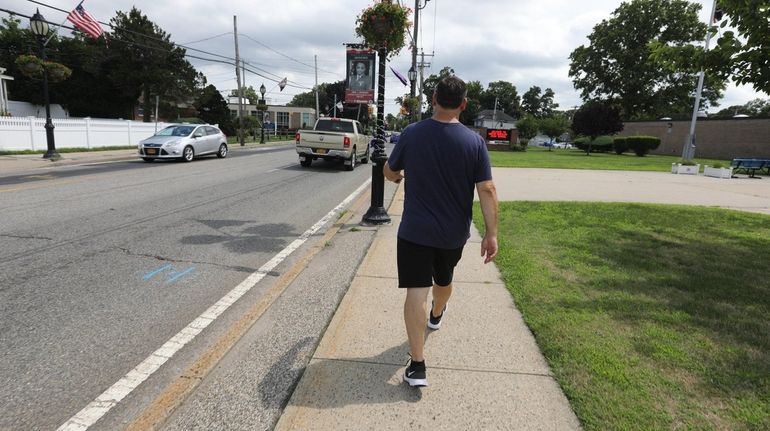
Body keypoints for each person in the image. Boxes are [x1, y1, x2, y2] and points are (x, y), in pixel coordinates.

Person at [383, 75, 499, 387]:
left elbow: (390, 170)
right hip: (452, 234)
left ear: (434, 99)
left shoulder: (411, 133)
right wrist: (491, 234)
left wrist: (396, 177)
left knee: (414, 292)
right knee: (443, 282)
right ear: (463, 104)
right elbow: (486, 189)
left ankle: (418, 366)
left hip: (414, 231)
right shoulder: (474, 142)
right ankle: (437, 312)